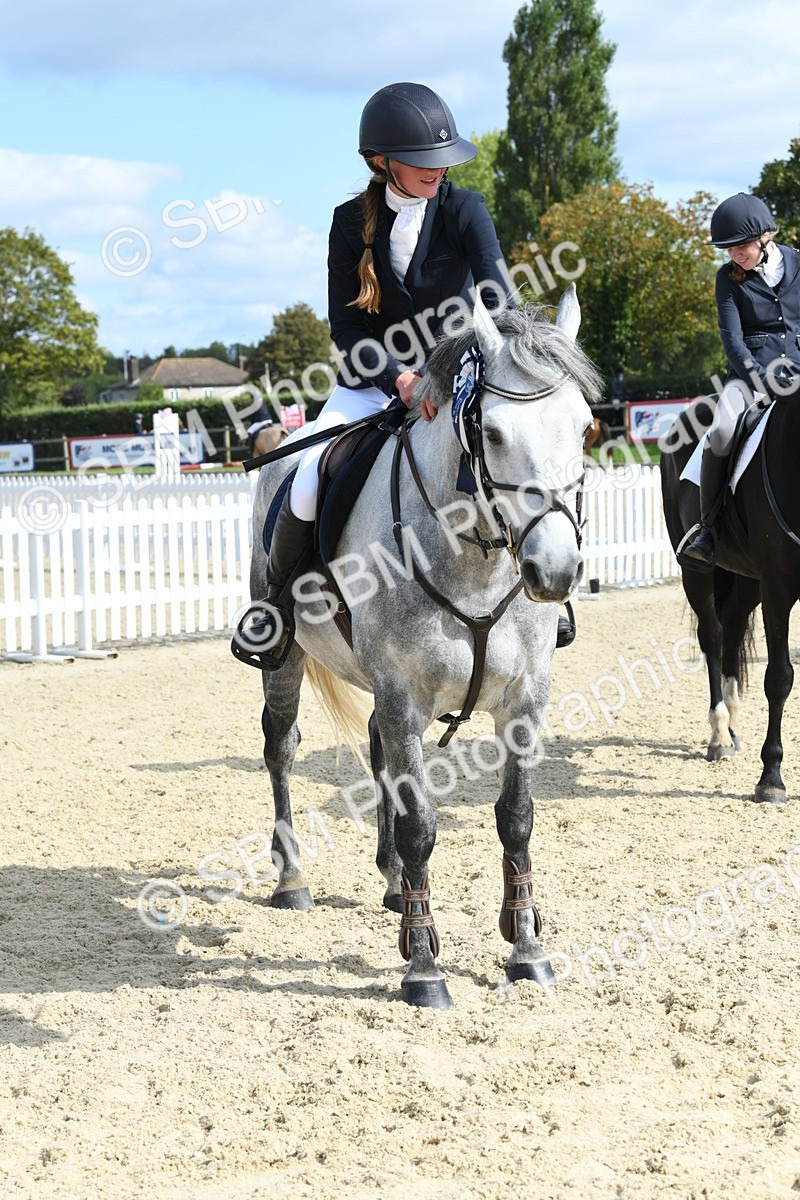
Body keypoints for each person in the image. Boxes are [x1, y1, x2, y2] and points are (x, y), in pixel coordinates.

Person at [248, 81, 571, 668]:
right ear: (382, 162)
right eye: (424, 162)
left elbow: (497, 301)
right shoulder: (350, 224)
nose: (438, 170)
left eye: (443, 159)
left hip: (456, 378)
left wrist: (499, 364)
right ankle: (277, 608)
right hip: (371, 383)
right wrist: (397, 378)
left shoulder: (464, 208)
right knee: (306, 477)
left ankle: (545, 597)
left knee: (512, 453)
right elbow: (347, 331)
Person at [677, 193, 800, 571]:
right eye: (728, 249)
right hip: (749, 378)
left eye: (740, 246)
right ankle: (707, 529)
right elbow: (732, 340)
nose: (734, 255)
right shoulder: (727, 279)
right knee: (724, 430)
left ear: (765, 237)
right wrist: (761, 381)